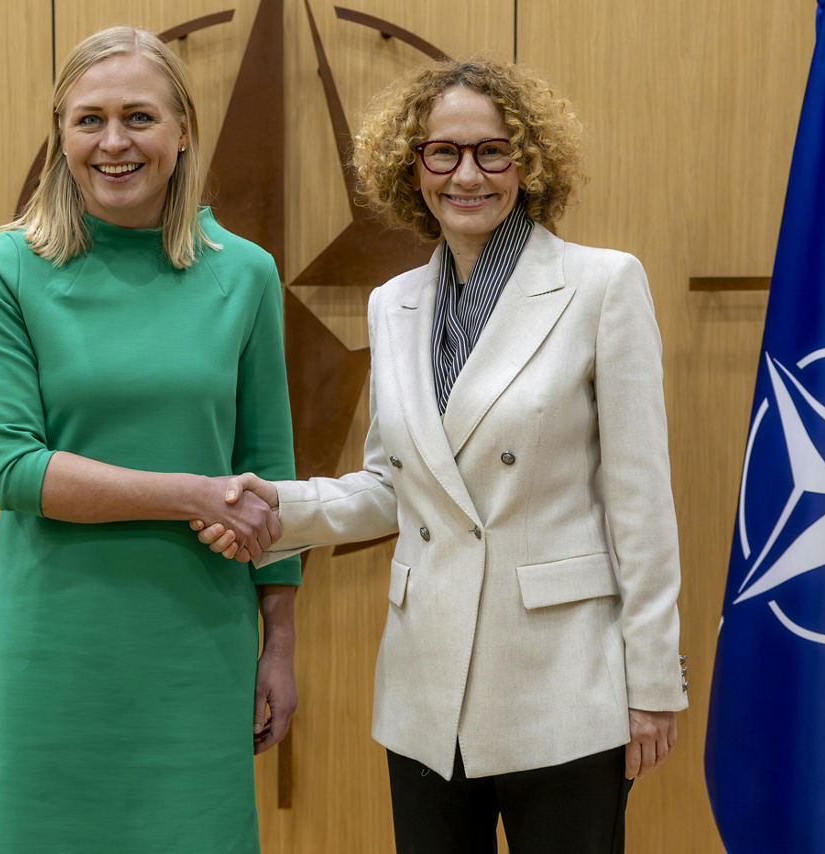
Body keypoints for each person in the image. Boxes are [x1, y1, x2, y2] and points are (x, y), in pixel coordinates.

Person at [195, 57, 687, 853]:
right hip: (427, 690)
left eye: (494, 151)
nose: (468, 174)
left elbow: (641, 503)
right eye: (444, 153)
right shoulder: (394, 304)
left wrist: (656, 684)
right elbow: (394, 488)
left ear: (528, 163)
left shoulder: (602, 286)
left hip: (567, 683)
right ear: (412, 167)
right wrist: (268, 507)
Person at [0, 26, 300, 854]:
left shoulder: (244, 273)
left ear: (181, 131)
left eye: (139, 117)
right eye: (88, 119)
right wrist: (190, 494)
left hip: (196, 641)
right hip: (49, 638)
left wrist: (279, 642)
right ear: (61, 136)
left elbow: (269, 467)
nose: (114, 142)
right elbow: (14, 469)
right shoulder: (11, 270)